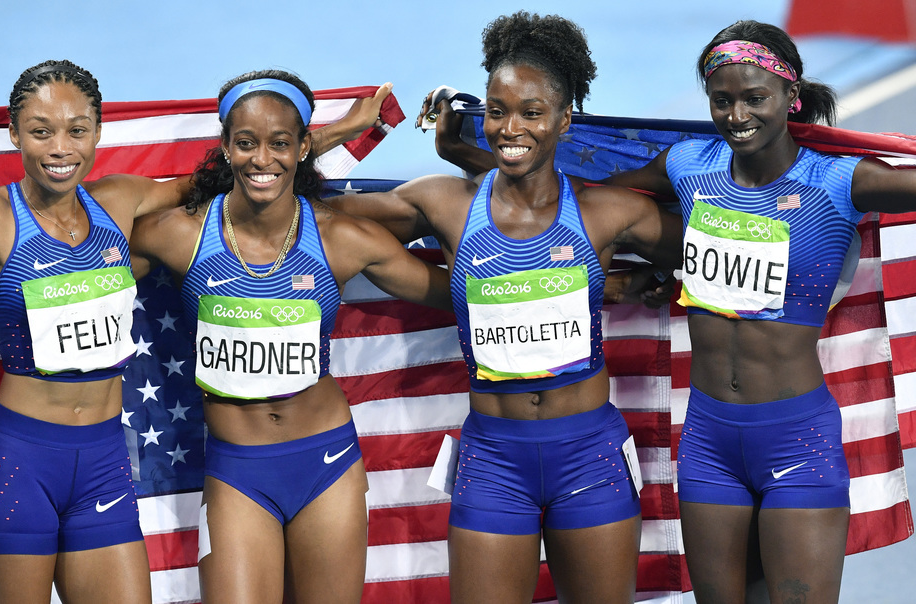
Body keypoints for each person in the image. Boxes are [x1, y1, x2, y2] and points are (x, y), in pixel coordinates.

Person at [425, 18, 916, 604]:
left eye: (754, 98)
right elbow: (573, 199)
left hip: (797, 437)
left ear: (793, 96)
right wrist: (461, 149)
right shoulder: (688, 166)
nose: (737, 116)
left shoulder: (839, 180)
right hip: (708, 440)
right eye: (722, 101)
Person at [0, 59, 390, 604]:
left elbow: (240, 174)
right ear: (15, 134)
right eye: (40, 131)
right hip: (15, 463)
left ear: (98, 132)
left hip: (101, 467)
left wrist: (331, 136)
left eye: (76, 130)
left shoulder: (120, 202)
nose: (59, 148)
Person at [328, 12, 682, 604]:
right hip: (494, 460)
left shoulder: (608, 213)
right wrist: (339, 131)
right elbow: (307, 214)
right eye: (497, 111)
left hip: (589, 455)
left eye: (531, 113)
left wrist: (637, 282)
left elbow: (714, 240)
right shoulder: (443, 204)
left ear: (566, 121)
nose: (510, 126)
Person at [128, 69, 452, 604]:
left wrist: (605, 282)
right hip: (237, 471)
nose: (262, 159)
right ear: (226, 146)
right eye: (246, 143)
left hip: (325, 462)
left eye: (281, 143)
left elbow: (457, 294)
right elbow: (87, 276)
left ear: (304, 146)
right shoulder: (179, 233)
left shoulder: (342, 238)